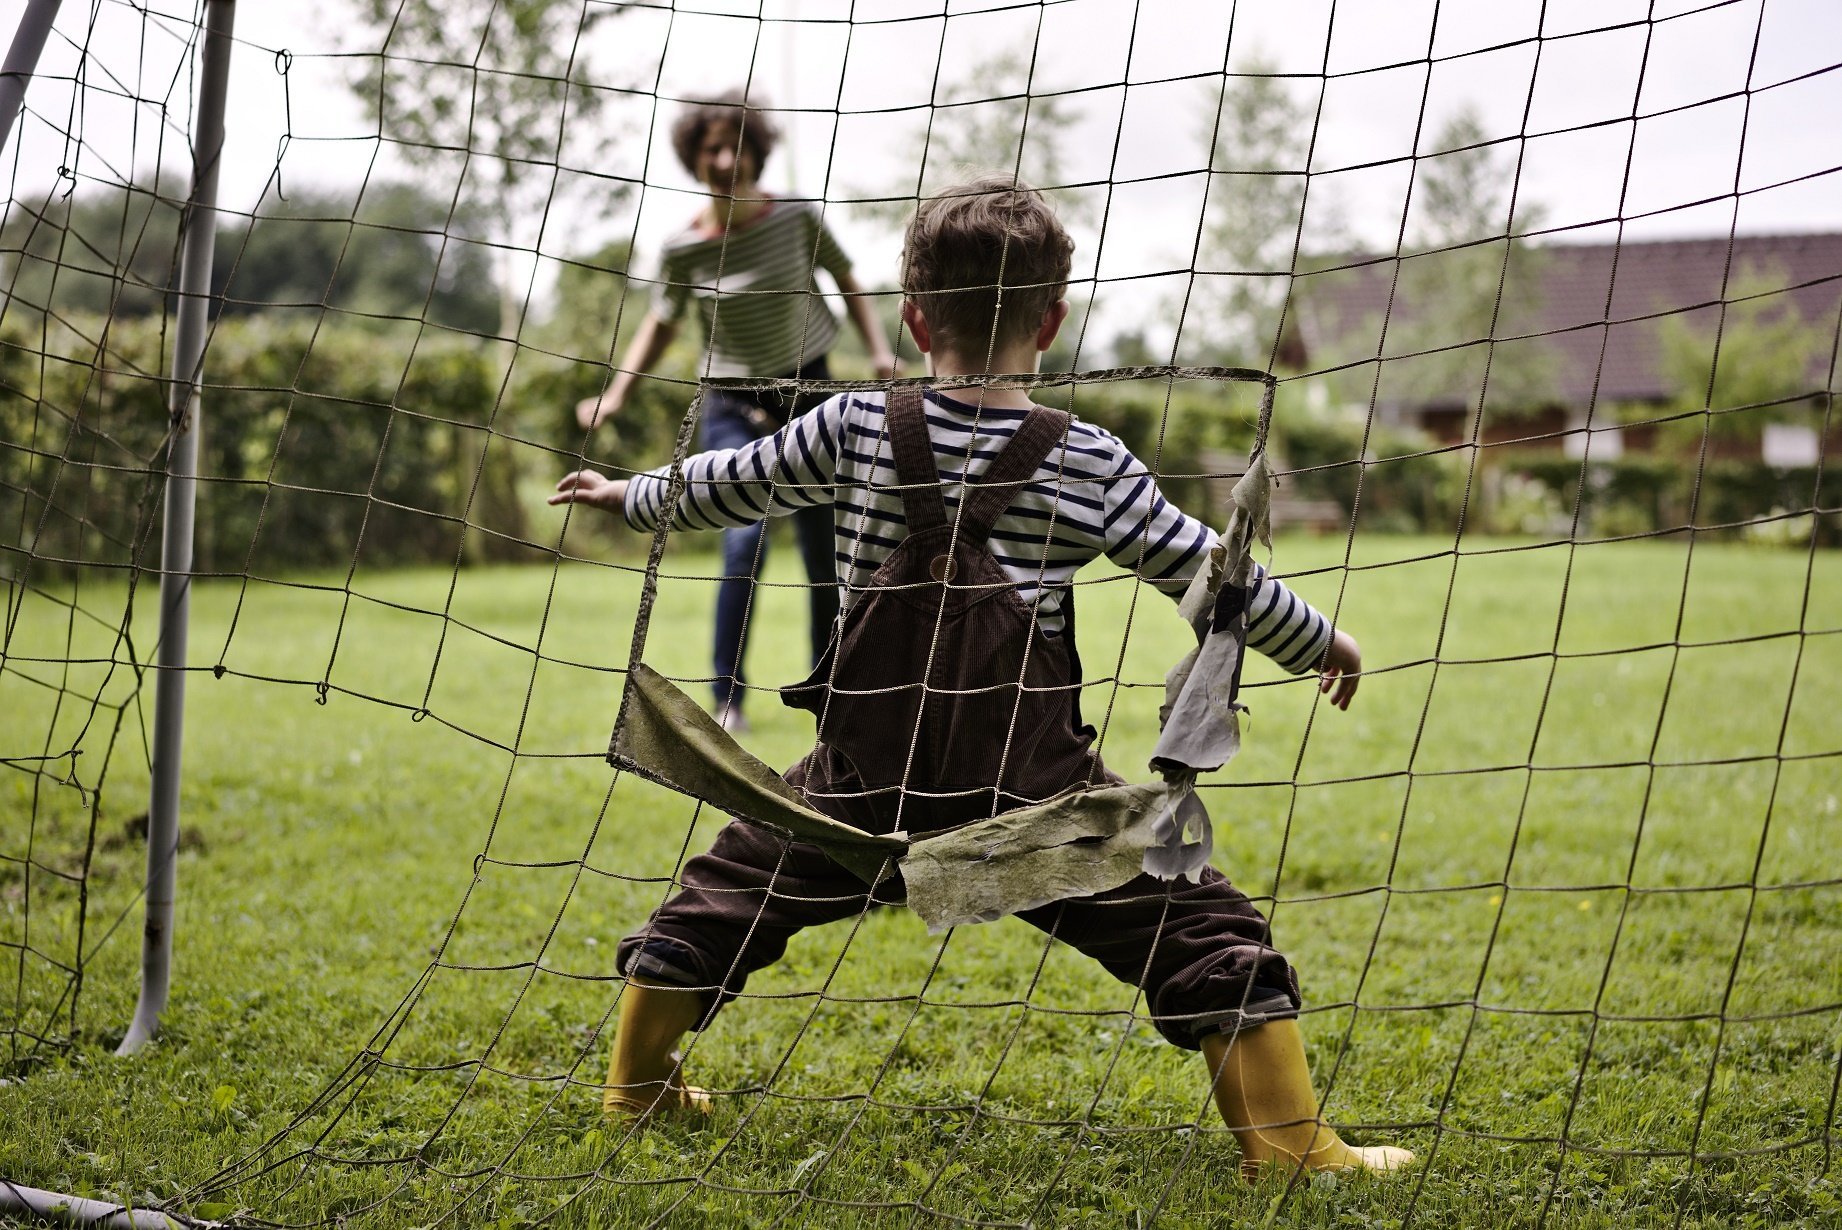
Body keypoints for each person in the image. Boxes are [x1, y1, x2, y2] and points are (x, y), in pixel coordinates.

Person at [551, 175, 1413, 1180]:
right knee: (1199, 923)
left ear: (915, 319)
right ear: (1049, 322)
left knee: (721, 897)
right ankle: (1292, 1143)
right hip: (1033, 797)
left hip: (858, 787)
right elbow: (1208, 576)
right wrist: (1319, 643)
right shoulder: (1089, 460)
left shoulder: (853, 426)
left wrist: (630, 497)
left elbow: (730, 483)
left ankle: (637, 1085)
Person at [576, 89, 897, 732]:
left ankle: (829, 691)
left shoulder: (796, 217)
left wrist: (881, 352)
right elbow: (660, 325)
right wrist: (615, 396)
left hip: (809, 393)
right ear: (693, 159)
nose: (724, 159)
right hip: (728, 401)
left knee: (822, 552)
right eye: (710, 149)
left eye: (735, 146)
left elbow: (848, 278)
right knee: (742, 541)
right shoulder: (683, 247)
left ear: (756, 151)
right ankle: (727, 700)